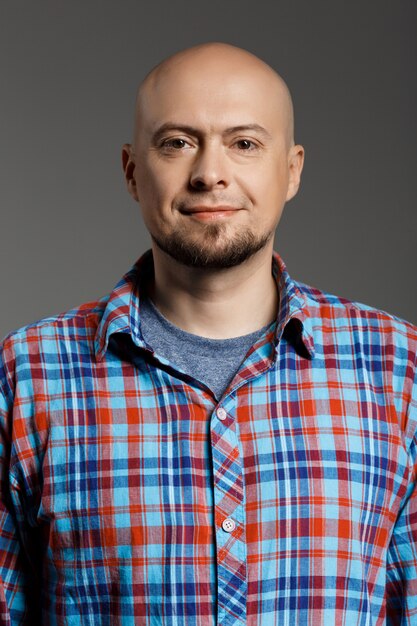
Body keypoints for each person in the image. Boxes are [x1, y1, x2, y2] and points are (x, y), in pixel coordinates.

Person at [0, 41, 416, 626]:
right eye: (177, 143)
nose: (209, 174)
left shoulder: (399, 368)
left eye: (244, 144)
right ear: (131, 171)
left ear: (291, 171)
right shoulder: (26, 374)